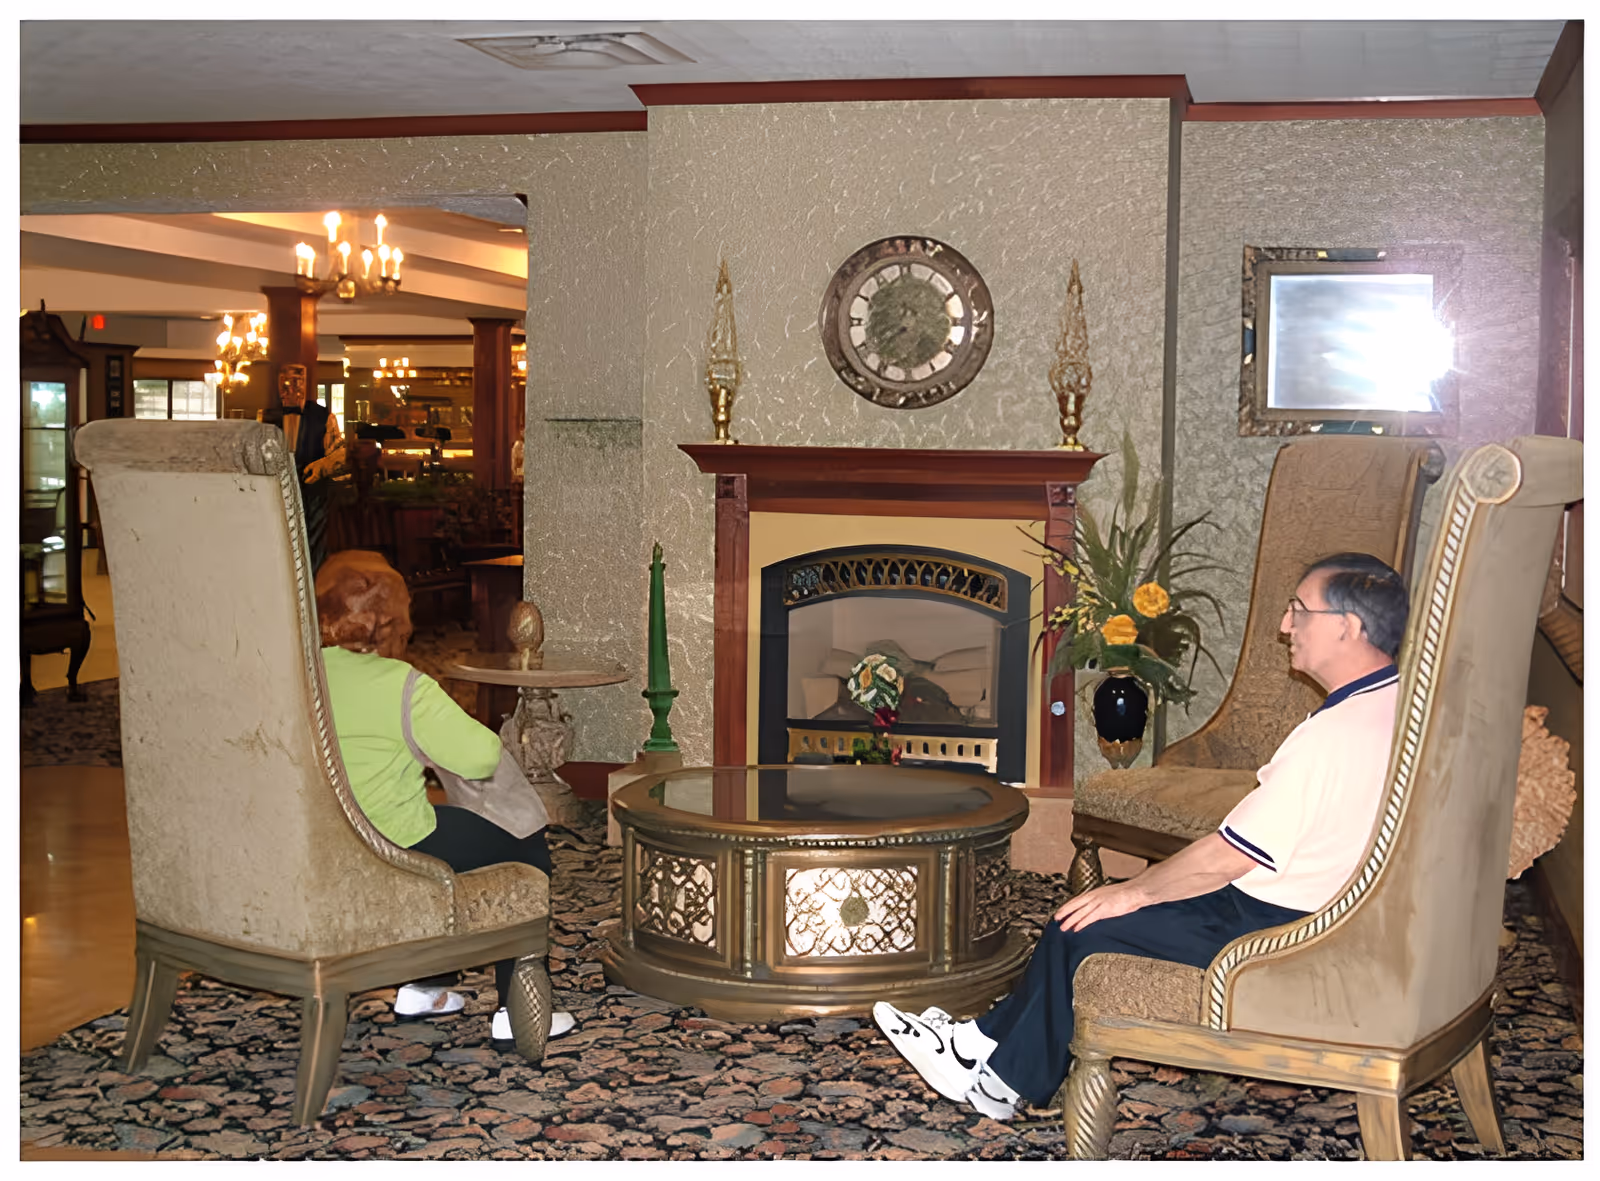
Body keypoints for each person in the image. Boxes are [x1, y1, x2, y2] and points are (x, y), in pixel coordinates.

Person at [874, 552, 1410, 1119]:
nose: (1285, 625)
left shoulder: (1332, 737)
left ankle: (999, 1078)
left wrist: (1133, 892)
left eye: (1299, 610)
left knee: (1080, 921)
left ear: (1348, 626)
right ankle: (976, 1049)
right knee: (1088, 914)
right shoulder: (1398, 705)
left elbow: (1229, 856)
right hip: (1332, 911)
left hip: (1281, 929)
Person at [314, 549, 576, 1044]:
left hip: (321, 846)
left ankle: (426, 987)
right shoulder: (401, 685)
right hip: (393, 843)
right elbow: (480, 757)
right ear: (395, 619)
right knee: (523, 842)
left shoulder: (298, 677)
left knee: (453, 832)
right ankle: (516, 1010)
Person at [277, 363, 345, 573]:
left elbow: (339, 454)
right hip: (278, 492)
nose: (291, 390)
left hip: (313, 496)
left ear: (306, 385)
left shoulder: (324, 417)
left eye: (297, 383)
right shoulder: (267, 416)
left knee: (312, 547)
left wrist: (323, 466)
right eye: (285, 384)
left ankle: (313, 585)